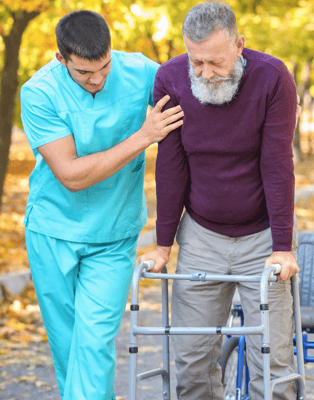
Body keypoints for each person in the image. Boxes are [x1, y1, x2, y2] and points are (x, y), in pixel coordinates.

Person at [138, 1, 299, 399]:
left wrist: (282, 247)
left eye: (215, 62)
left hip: (262, 238)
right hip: (202, 236)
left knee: (271, 362)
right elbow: (171, 165)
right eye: (197, 62)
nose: (206, 74)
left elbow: (277, 165)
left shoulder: (272, 78)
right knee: (192, 362)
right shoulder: (171, 80)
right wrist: (162, 245)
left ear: (239, 44)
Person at [20, 10, 183, 400]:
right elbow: (72, 176)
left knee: (93, 344)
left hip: (112, 236)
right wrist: (143, 137)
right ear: (61, 59)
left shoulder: (140, 71)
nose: (98, 79)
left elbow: (194, 93)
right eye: (84, 73)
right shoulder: (39, 92)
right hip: (52, 231)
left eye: (104, 66)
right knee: (67, 349)